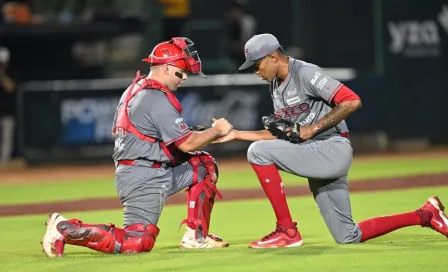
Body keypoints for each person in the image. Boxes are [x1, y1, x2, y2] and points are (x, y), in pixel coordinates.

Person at [213, 33, 448, 248]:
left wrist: (311, 129)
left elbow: (351, 100)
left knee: (258, 152)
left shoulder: (305, 72)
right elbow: (282, 133)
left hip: (332, 147)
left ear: (273, 56)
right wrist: (235, 134)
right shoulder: (275, 85)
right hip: (316, 153)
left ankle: (286, 230)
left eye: (257, 64)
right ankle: (426, 215)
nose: (256, 71)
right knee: (347, 236)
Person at [41, 37, 234, 257]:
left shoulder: (137, 88)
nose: (184, 77)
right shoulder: (155, 97)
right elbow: (187, 144)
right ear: (167, 68)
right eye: (181, 71)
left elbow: (143, 132)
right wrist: (216, 130)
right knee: (137, 243)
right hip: (143, 176)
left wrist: (192, 134)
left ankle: (196, 237)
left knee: (204, 164)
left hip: (151, 168)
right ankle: (65, 229)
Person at [0, 46, 16, 167]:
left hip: (7, 111)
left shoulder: (12, 72)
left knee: (7, 139)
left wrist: (1, 76)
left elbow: (11, 88)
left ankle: (4, 164)